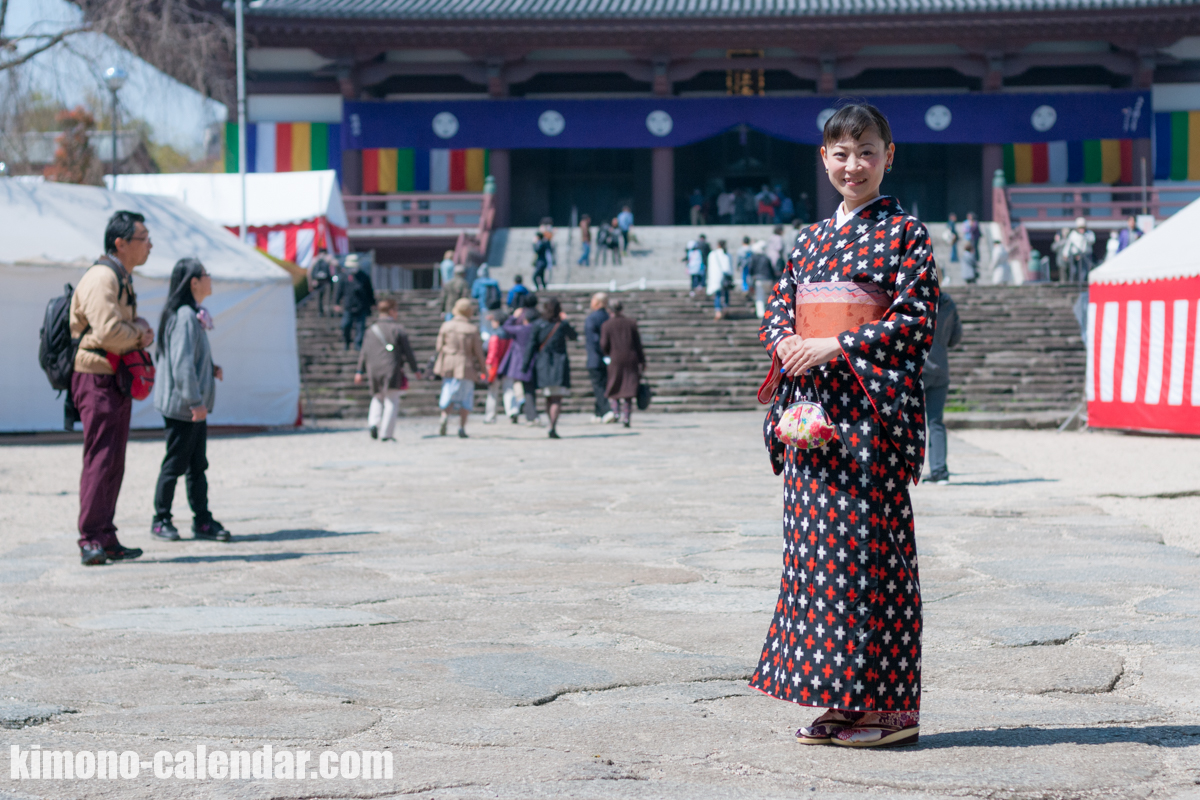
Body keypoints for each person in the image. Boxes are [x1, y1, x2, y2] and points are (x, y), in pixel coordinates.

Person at [750, 102, 939, 748]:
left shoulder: (906, 235)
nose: (852, 165)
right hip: (811, 427)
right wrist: (788, 344)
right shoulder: (808, 240)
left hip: (867, 425)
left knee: (869, 563)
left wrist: (835, 347)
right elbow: (779, 310)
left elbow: (915, 322)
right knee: (816, 564)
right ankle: (838, 702)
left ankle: (889, 712)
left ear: (890, 156)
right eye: (840, 152)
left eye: (866, 152)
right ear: (822, 159)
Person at [70, 210, 155, 565]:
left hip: (112, 376)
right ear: (120, 244)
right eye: (143, 238)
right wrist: (140, 333)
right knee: (101, 457)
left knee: (114, 459)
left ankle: (105, 535)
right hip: (97, 375)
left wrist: (135, 329)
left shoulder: (119, 276)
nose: (149, 245)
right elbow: (107, 332)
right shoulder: (103, 277)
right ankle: (90, 537)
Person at [151, 257, 230, 542]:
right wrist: (195, 401)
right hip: (185, 407)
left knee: (197, 465)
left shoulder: (191, 313)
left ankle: (202, 520)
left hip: (191, 406)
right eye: (206, 274)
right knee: (176, 463)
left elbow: (190, 358)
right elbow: (181, 364)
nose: (211, 279)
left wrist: (210, 368)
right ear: (194, 282)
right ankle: (161, 519)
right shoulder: (185, 316)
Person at [354, 299, 419, 442]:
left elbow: (364, 352)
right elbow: (408, 352)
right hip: (391, 368)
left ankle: (373, 423)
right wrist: (415, 369)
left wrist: (360, 371)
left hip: (373, 369)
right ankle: (386, 433)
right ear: (391, 311)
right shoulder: (397, 329)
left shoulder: (371, 330)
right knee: (391, 399)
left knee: (377, 397)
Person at [923, 283, 962, 484]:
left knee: (912, 421)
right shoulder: (948, 303)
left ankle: (910, 468)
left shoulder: (919, 302)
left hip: (919, 370)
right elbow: (956, 338)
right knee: (936, 422)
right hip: (941, 368)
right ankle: (939, 470)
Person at [523, 296, 578, 439]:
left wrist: (525, 365)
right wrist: (566, 320)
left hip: (543, 364)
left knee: (548, 397)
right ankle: (553, 425)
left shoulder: (538, 324)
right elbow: (574, 336)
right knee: (557, 398)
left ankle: (551, 423)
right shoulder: (562, 325)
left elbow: (531, 346)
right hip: (559, 364)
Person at [434, 297, 486, 438]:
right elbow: (478, 353)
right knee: (466, 396)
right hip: (466, 364)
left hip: (448, 363)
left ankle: (444, 415)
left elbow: (439, 347)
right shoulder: (472, 328)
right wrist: (484, 369)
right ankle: (461, 427)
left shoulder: (446, 326)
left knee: (448, 391)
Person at [600, 299, 645, 427]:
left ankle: (616, 412)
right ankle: (626, 417)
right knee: (628, 388)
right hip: (631, 358)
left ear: (609, 310)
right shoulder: (631, 323)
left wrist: (607, 354)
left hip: (615, 359)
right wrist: (642, 360)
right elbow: (638, 344)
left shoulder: (607, 325)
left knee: (615, 385)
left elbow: (603, 344)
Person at [500, 293, 540, 424]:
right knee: (530, 388)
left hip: (520, 359)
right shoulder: (538, 324)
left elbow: (506, 328)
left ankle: (528, 411)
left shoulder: (522, 328)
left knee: (522, 386)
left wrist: (513, 317)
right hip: (537, 358)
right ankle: (530, 411)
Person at [483, 310, 520, 424]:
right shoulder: (510, 335)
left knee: (493, 392)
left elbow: (492, 354)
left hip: (495, 366)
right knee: (509, 390)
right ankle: (512, 411)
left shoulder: (495, 335)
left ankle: (490, 415)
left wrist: (488, 365)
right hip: (508, 366)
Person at [334, 254, 375, 350]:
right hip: (348, 306)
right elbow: (339, 291)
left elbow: (369, 291)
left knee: (360, 327)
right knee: (345, 325)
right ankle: (347, 342)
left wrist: (373, 303)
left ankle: (358, 344)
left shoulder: (364, 277)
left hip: (362, 305)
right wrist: (336, 303)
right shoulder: (344, 277)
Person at [584, 292, 613, 423]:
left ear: (598, 303)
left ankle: (606, 411)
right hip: (610, 357)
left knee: (598, 386)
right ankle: (598, 413)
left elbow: (593, 341)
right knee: (602, 384)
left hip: (595, 357)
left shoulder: (592, 319)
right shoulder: (609, 317)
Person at [748, 240, 777, 319]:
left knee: (759, 297)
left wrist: (750, 282)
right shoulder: (766, 258)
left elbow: (750, 270)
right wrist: (773, 280)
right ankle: (771, 311)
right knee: (769, 296)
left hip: (758, 280)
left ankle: (761, 314)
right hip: (768, 279)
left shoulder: (753, 258)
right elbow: (771, 269)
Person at [706, 239, 733, 320]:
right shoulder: (727, 254)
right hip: (726, 278)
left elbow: (711, 268)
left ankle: (718, 312)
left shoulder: (713, 254)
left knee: (717, 295)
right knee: (726, 294)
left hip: (716, 278)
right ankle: (726, 309)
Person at [1063, 217, 1095, 283]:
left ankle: (1082, 283)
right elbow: (1068, 244)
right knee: (1074, 270)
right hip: (1075, 255)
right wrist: (1065, 254)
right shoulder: (1073, 234)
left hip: (1085, 255)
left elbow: (1092, 241)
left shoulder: (1089, 234)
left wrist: (1085, 236)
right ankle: (1073, 282)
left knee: (1084, 271)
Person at [307, 248, 338, 317]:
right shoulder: (319, 259)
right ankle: (324, 312)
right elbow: (336, 264)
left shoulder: (318, 259)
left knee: (323, 298)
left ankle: (323, 312)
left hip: (322, 282)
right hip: (323, 282)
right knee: (324, 298)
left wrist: (310, 284)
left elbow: (309, 272)